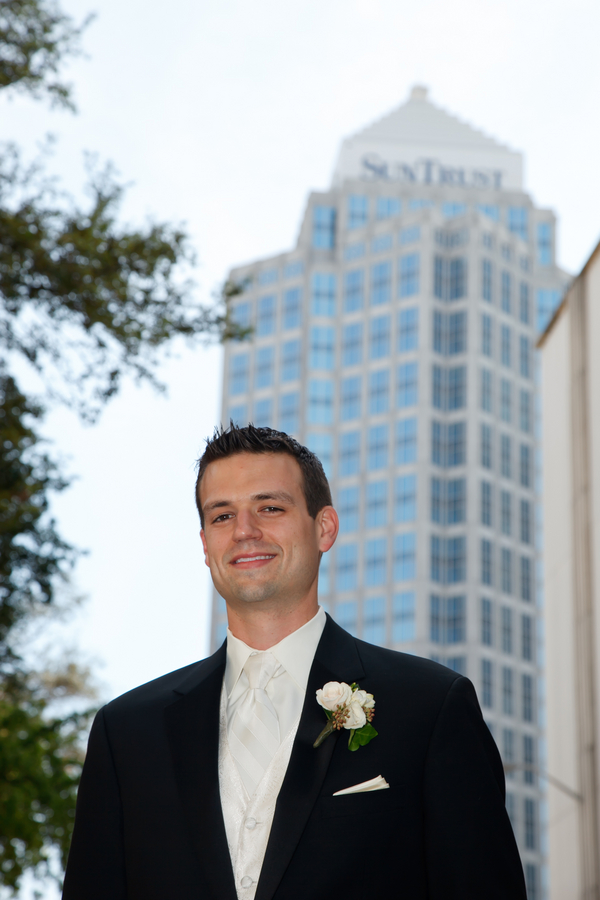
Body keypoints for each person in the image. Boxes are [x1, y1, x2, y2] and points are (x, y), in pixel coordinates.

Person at [63, 424, 527, 900]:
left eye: (270, 507)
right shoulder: (126, 734)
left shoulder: (430, 707)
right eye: (222, 516)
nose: (245, 531)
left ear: (324, 527)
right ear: (205, 545)